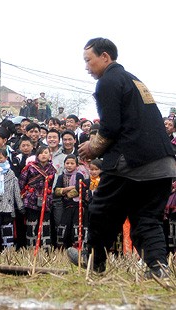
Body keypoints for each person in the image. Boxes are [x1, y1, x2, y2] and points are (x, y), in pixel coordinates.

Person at [68, 38, 176, 278]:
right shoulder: (133, 80)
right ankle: (158, 268)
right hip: (164, 162)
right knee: (146, 217)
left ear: (105, 57)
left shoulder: (108, 81)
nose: (86, 67)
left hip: (132, 161)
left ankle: (93, 261)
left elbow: (111, 128)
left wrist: (92, 148)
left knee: (101, 209)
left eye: (89, 60)